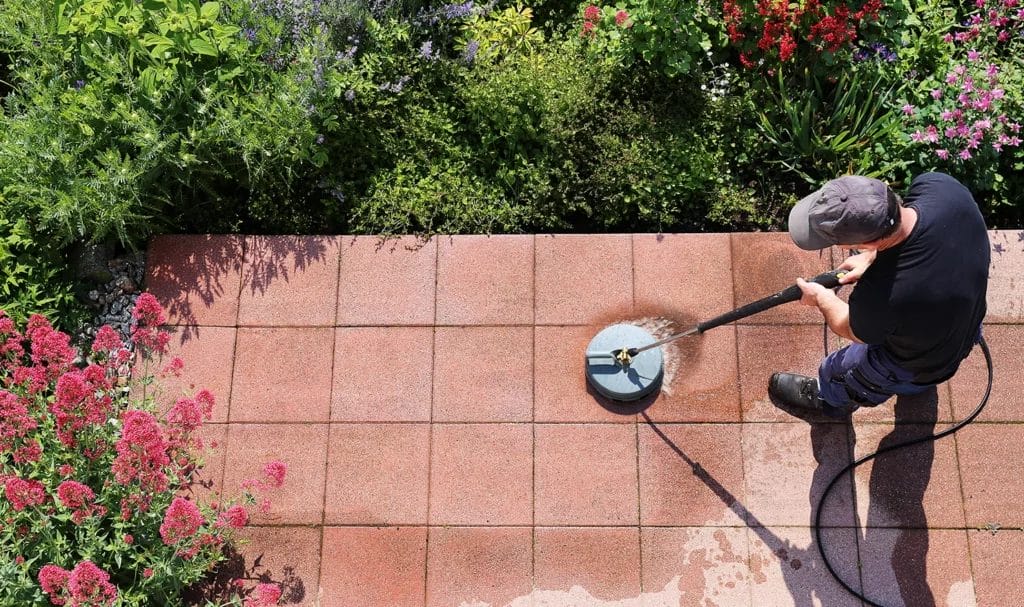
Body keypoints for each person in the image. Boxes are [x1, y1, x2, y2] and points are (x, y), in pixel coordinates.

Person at [768, 172, 990, 419]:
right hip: (966, 325)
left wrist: (820, 297)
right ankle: (921, 385)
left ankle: (829, 398)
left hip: (915, 362)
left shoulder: (882, 297)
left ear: (863, 243)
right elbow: (907, 236)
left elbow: (850, 328)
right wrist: (873, 258)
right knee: (929, 369)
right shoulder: (942, 188)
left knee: (840, 369)